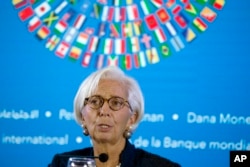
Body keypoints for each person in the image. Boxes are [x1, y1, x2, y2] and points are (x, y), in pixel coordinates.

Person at [49, 66, 180, 167]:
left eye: (116, 103)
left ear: (131, 119)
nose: (104, 111)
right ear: (83, 116)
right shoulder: (62, 164)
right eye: (95, 101)